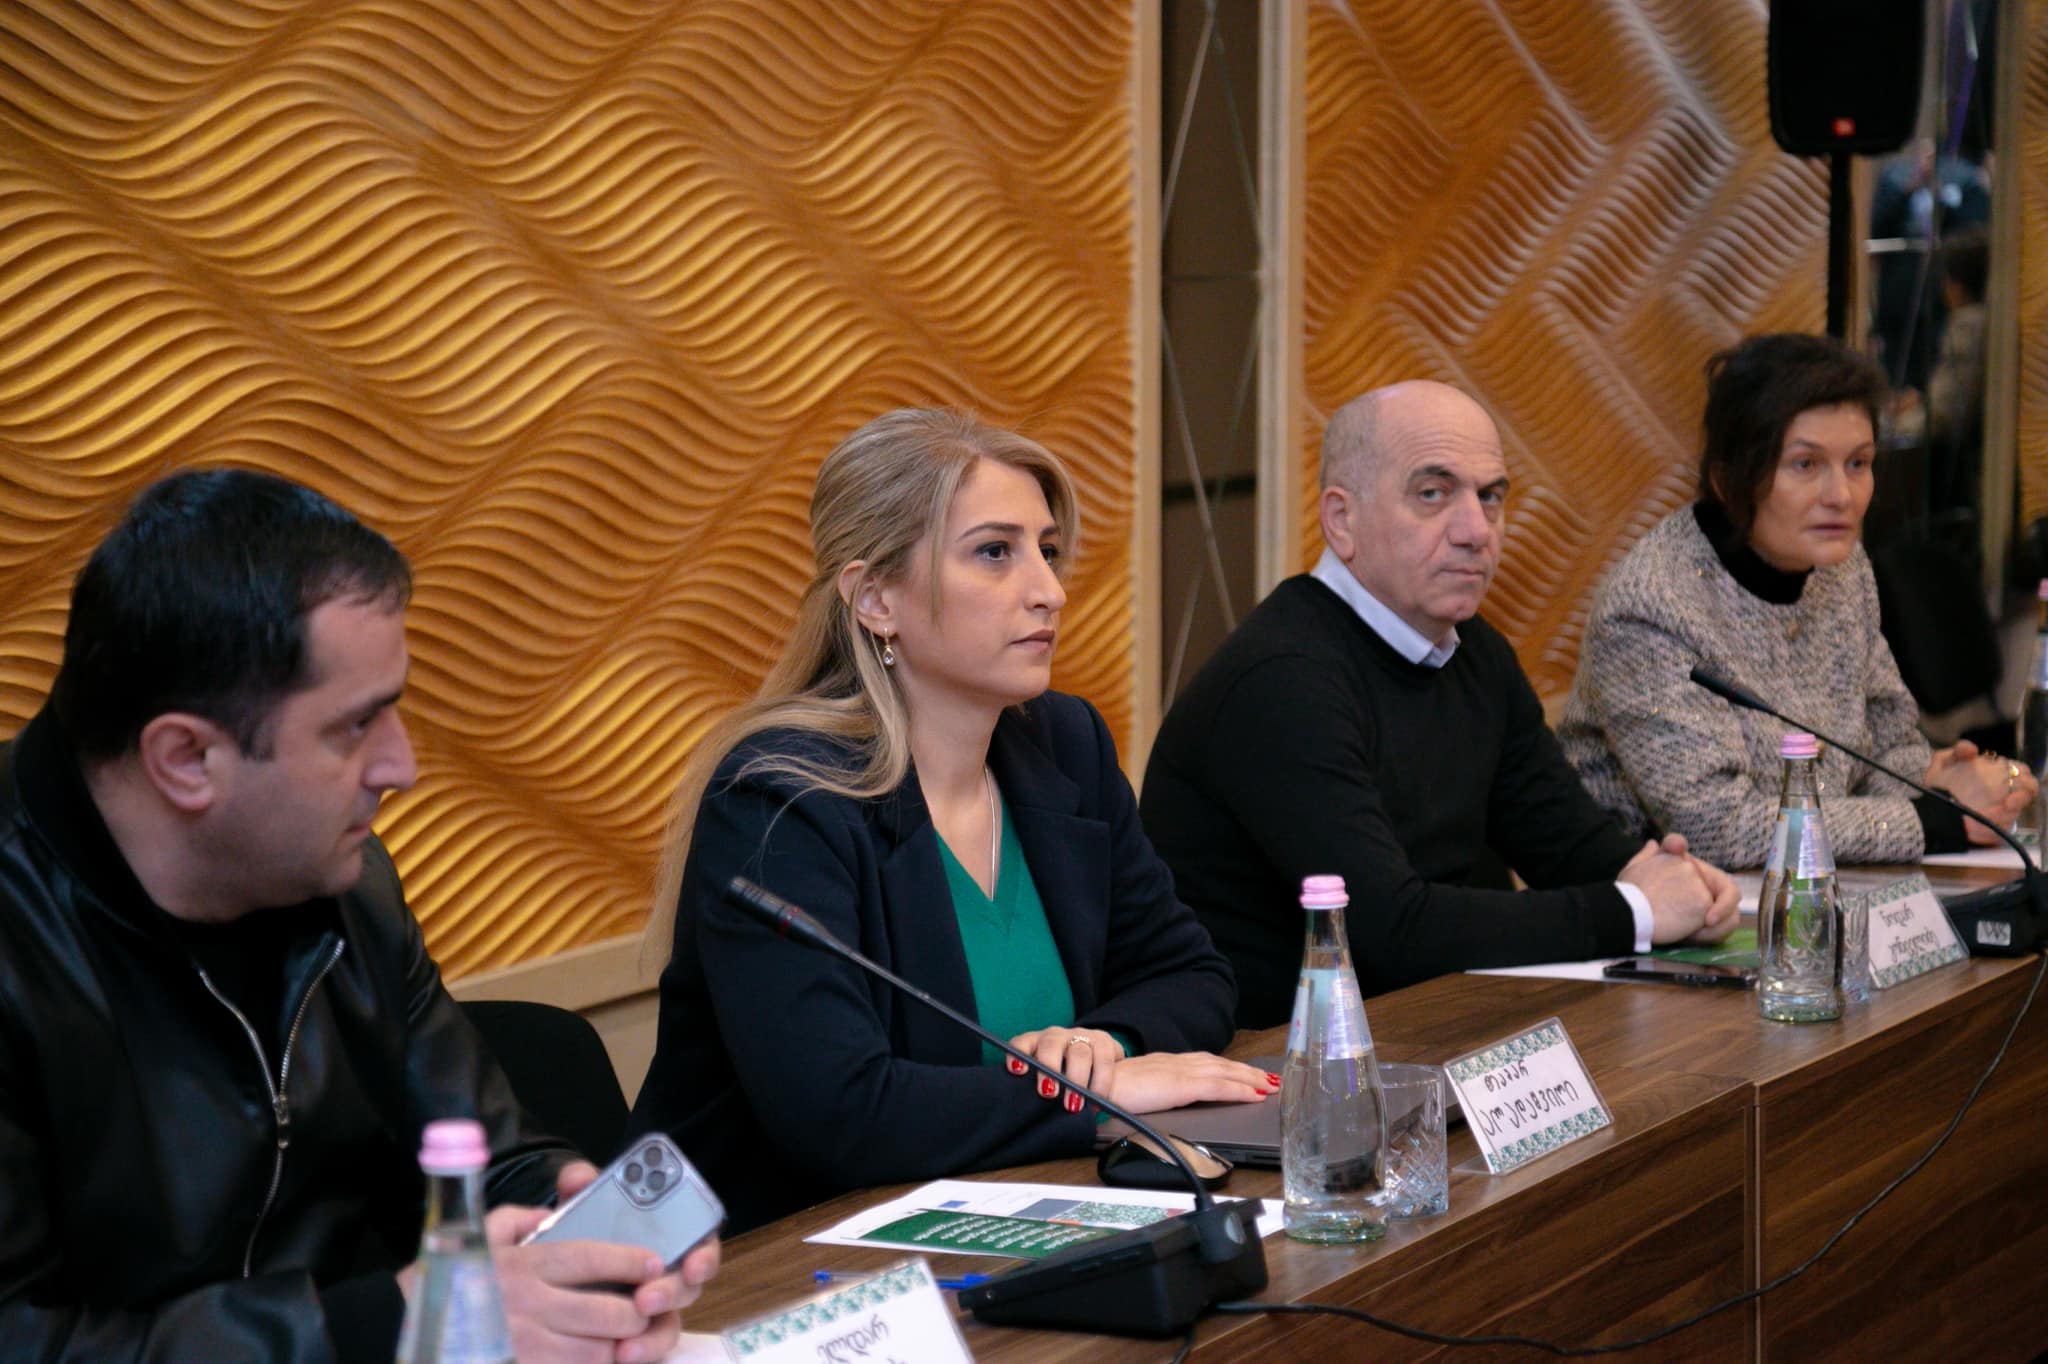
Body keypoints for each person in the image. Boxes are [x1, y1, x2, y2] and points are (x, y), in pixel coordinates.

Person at [0, 470, 717, 1362]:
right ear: (185, 759)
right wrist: (383, 1324)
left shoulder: (345, 883)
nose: (401, 768)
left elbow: (482, 1160)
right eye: (353, 727)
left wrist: (577, 1235)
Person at [627, 409, 1267, 1233]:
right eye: (995, 552)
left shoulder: (1064, 745)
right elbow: (843, 1114)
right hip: (758, 1258)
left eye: (1046, 550)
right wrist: (1097, 1096)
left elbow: (1194, 973)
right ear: (875, 599)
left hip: (1013, 1210)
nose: (1049, 590)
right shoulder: (778, 801)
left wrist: (1101, 1044)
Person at [1140, 381, 1740, 1028]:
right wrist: (1639, 911)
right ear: (1342, 520)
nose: (1476, 531)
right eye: (1433, 494)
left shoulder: (1473, 651)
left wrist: (1668, 877)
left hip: (1435, 1025)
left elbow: (1563, 839)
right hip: (1280, 1059)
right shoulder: (1280, 681)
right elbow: (1389, 931)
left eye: (1491, 497)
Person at [1557, 333, 2034, 869]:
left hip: (1819, 885)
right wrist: (1935, 819)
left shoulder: (1841, 568)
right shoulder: (1649, 609)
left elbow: (1889, 744)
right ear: (1729, 479)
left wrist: (1935, 783)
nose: (1842, 496)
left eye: (1858, 463)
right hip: (1666, 903)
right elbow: (1718, 828)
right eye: (1806, 465)